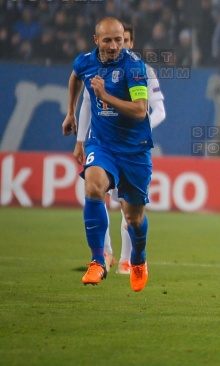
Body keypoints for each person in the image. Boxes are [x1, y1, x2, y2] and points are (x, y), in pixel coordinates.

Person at [62, 17, 152, 292]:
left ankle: (138, 259)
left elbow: (140, 110)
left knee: (134, 217)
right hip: (101, 144)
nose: (114, 46)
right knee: (93, 187)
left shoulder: (134, 67)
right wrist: (71, 112)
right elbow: (76, 75)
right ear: (96, 40)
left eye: (119, 40)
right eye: (108, 40)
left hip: (134, 151)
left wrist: (104, 95)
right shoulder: (86, 61)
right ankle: (97, 260)